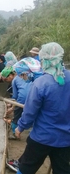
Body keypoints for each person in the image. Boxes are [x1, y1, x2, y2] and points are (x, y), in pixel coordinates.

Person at [15, 42, 70, 174]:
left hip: (42, 137)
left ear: (43, 60)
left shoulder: (40, 83)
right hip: (65, 139)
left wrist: (20, 127)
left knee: (26, 168)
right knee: (63, 170)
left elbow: (30, 112)